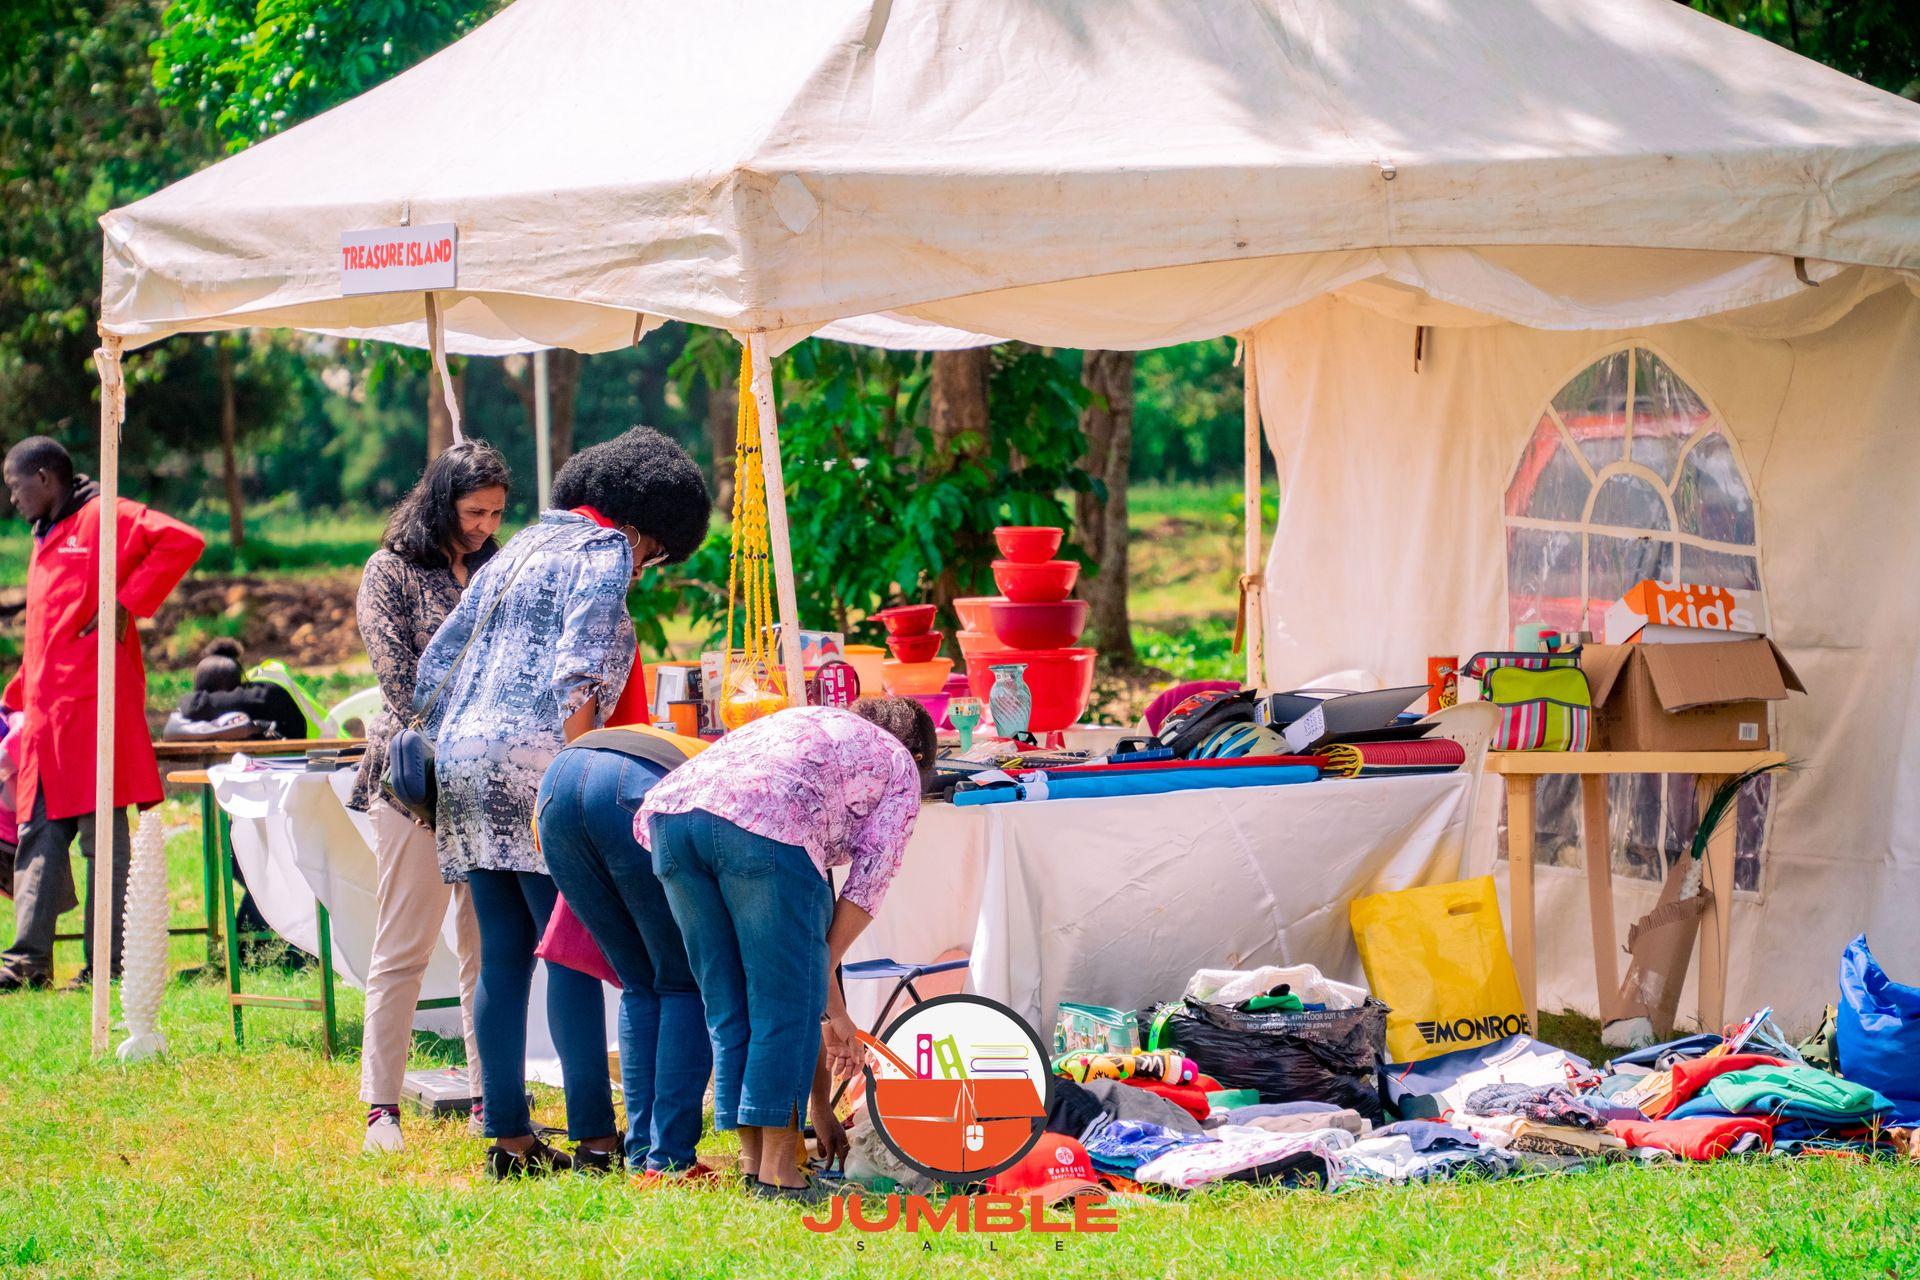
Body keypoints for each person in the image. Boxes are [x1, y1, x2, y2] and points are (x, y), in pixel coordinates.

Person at [416, 426, 710, 1179]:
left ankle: (507, 1139)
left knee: (505, 956)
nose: (648, 568)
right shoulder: (607, 553)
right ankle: (594, 1139)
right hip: (545, 761)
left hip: (464, 760)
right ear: (645, 528)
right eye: (658, 556)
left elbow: (440, 658)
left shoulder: (514, 547)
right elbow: (580, 670)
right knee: (574, 952)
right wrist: (584, 760)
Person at [636, 698, 937, 1203]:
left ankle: (752, 1162)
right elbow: (871, 879)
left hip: (672, 818)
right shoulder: (898, 761)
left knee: (729, 1003)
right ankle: (781, 1173)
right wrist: (822, 961)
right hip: (762, 824)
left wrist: (825, 984)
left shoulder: (812, 726)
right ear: (921, 753)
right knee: (785, 1004)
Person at [349, 441, 509, 1154]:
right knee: (404, 947)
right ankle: (381, 1106)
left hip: (483, 781)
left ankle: (490, 1098)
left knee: (488, 949)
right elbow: (400, 685)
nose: (483, 526)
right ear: (441, 502)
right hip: (413, 780)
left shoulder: (498, 569)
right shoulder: (388, 573)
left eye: (496, 514)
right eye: (474, 512)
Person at [1, 436, 204, 991]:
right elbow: (49, 630)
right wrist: (15, 696)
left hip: (95, 718)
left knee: (103, 849)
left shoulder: (103, 516)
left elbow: (182, 540)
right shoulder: (45, 533)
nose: (11, 498)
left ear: (45, 478)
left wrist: (126, 601)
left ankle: (107, 967)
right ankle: (26, 964)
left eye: (15, 485)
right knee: (36, 840)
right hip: (47, 724)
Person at [535, 726, 714, 1184]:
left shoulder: (710, 751)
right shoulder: (740, 768)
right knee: (683, 981)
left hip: (554, 787)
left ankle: (641, 1156)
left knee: (639, 983)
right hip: (633, 787)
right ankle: (670, 1161)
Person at [174, 639, 308, 740]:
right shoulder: (263, 694)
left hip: (300, 759)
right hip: (295, 758)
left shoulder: (264, 695)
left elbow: (192, 705)